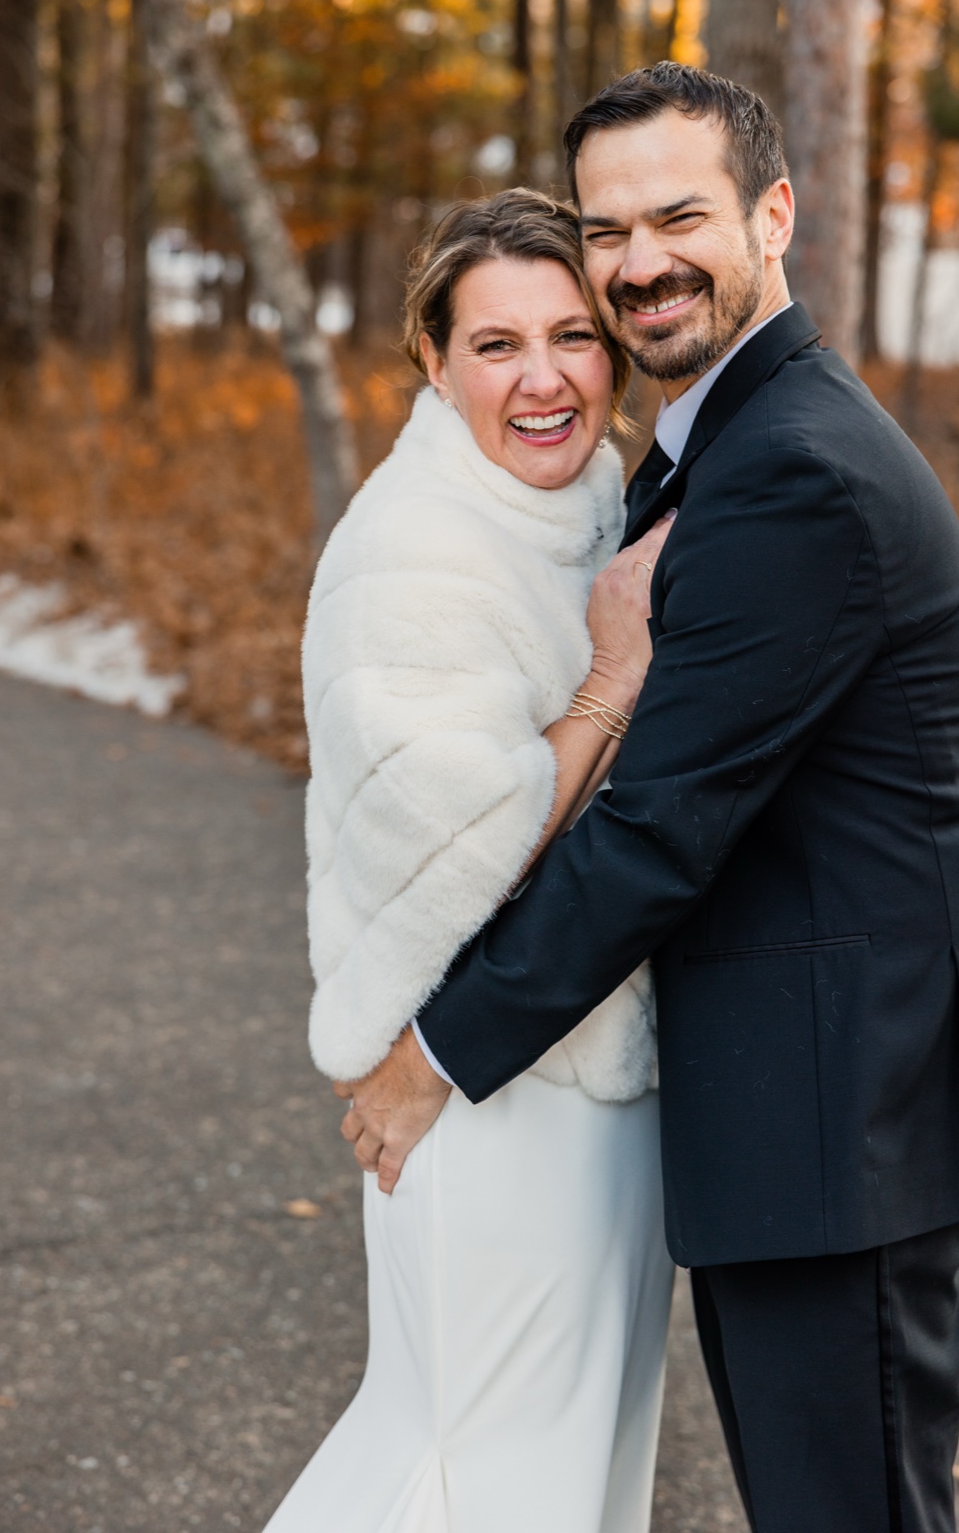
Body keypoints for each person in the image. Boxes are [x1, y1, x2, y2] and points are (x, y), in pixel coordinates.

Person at [342, 64, 959, 1533]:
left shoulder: (792, 472)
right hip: (808, 1103)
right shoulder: (729, 439)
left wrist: (436, 1056)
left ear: (771, 214)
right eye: (607, 231)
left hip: (839, 1118)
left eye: (678, 216)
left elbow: (661, 828)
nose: (640, 262)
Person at [262, 189, 676, 1533]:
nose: (545, 378)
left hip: (589, 1061)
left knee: (568, 1471)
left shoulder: (589, 498)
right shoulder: (411, 554)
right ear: (431, 363)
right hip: (487, 1092)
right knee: (468, 1471)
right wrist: (612, 680)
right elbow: (475, 844)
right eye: (495, 346)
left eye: (571, 334)